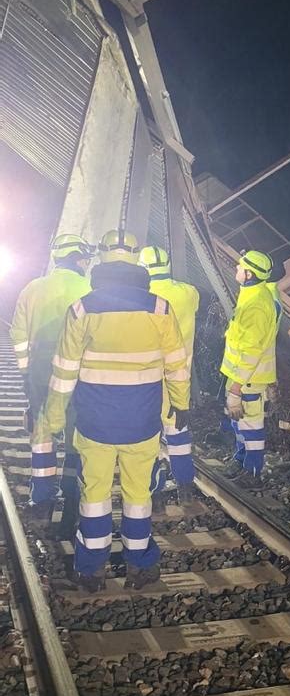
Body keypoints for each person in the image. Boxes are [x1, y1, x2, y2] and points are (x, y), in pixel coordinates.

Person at [42, 229, 191, 591]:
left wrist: (55, 417)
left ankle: (91, 570)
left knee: (94, 496)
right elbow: (177, 365)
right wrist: (181, 406)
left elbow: (63, 372)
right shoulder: (160, 308)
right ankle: (140, 566)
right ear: (137, 259)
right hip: (142, 423)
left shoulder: (82, 309)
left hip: (94, 425)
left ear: (102, 260)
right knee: (138, 496)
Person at [10, 234, 94, 524]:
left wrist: (25, 372)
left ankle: (41, 500)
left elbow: (18, 335)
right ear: (79, 258)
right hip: (79, 376)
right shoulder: (89, 287)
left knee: (43, 436)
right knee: (75, 437)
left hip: (40, 374)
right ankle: (71, 497)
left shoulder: (32, 288)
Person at [139, 245, 199, 499]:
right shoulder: (189, 292)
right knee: (178, 431)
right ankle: (185, 483)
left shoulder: (143, 296)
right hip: (179, 375)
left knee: (149, 432)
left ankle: (155, 486)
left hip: (150, 376)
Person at [220, 249, 277, 478]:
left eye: (240, 266)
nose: (237, 269)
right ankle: (242, 461)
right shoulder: (252, 295)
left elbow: (251, 352)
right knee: (240, 423)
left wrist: (236, 387)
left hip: (248, 380)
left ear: (250, 274)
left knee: (251, 426)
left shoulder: (256, 305)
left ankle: (253, 472)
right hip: (241, 377)